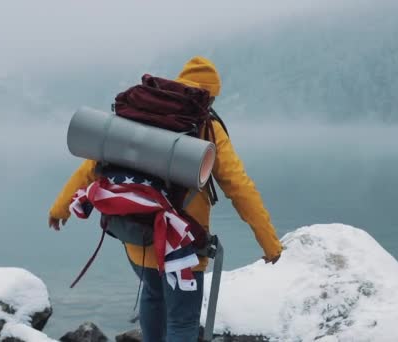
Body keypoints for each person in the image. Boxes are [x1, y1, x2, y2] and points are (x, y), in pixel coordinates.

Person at [48, 56, 283, 342]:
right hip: (181, 245)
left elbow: (92, 167)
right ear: (208, 96)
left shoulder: (139, 115)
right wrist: (269, 242)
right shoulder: (206, 126)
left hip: (135, 234)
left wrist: (61, 209)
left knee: (152, 294)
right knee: (182, 321)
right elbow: (239, 187)